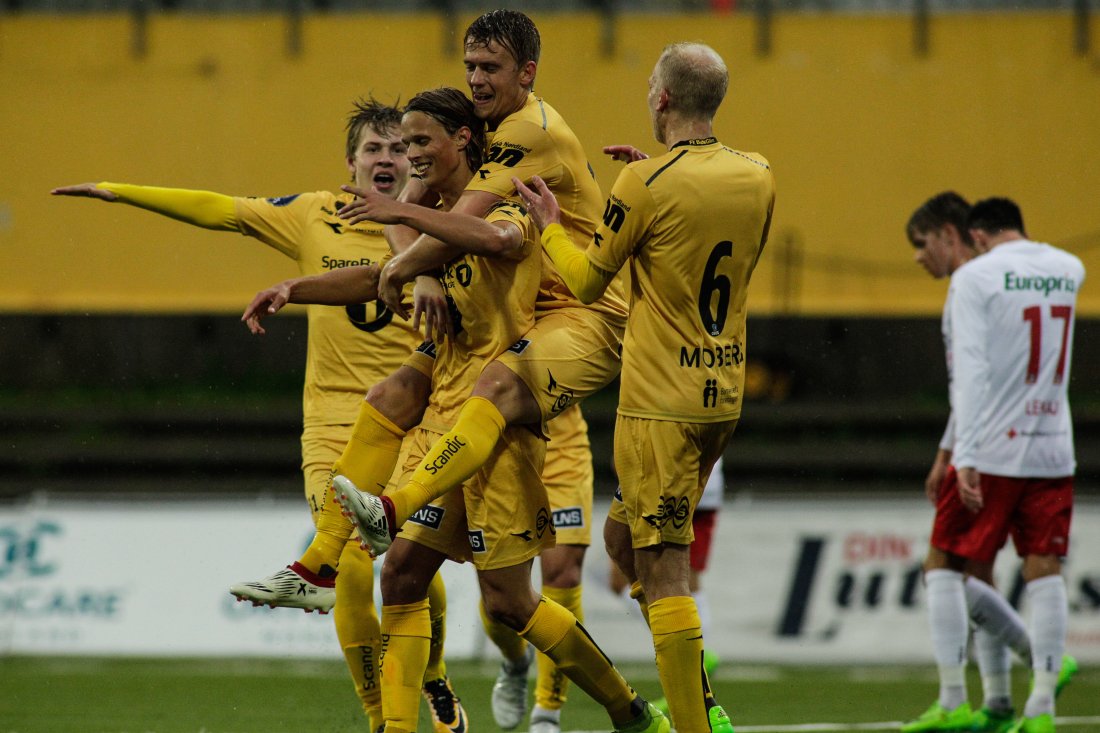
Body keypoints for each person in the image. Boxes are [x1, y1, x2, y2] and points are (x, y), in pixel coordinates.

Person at [246, 86, 669, 733]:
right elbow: (378, 275)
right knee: (405, 574)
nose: (409, 154)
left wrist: (405, 228)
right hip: (450, 424)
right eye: (403, 143)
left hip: (501, 431)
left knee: (511, 602)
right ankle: (391, 718)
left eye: (420, 142)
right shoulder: (431, 214)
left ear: (462, 143)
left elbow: (498, 240)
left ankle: (623, 706)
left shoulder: (507, 195)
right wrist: (295, 288)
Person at [49, 100, 466, 733]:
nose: (386, 160)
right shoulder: (311, 215)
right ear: (350, 164)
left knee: (408, 558)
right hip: (333, 423)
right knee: (352, 564)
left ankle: (430, 676)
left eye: (397, 149)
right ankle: (383, 717)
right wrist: (119, 192)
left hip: (418, 415)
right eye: (372, 150)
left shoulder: (436, 221)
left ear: (416, 158)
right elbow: (223, 208)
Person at [315, 10, 628, 733]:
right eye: (471, 68)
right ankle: (393, 712)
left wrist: (401, 246)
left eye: (491, 68)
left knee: (528, 591)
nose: (479, 78)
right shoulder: (460, 177)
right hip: (473, 416)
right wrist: (310, 285)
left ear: (527, 75)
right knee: (407, 572)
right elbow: (427, 242)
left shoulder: (523, 147)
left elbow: (486, 232)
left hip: (574, 329)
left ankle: (602, 708)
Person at [514, 41, 772, 733]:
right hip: (720, 393)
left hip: (660, 403)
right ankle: (699, 697)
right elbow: (701, 258)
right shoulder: (757, 174)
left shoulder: (644, 187)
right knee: (625, 548)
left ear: (661, 98)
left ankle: (692, 722)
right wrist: (648, 194)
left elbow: (588, 280)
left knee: (663, 568)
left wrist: (549, 229)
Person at [902, 194, 1077, 733]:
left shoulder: (974, 282)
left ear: (963, 235)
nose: (917, 257)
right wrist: (946, 451)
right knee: (1033, 569)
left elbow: (973, 378)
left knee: (942, 567)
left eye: (922, 244)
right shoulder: (1069, 269)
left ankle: (956, 697)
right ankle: (1015, 704)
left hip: (994, 446)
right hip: (1052, 442)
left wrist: (963, 455)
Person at [608, 457, 725, 715]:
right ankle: (697, 661)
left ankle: (698, 670)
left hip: (672, 479)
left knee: (675, 579)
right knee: (662, 579)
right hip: (684, 479)